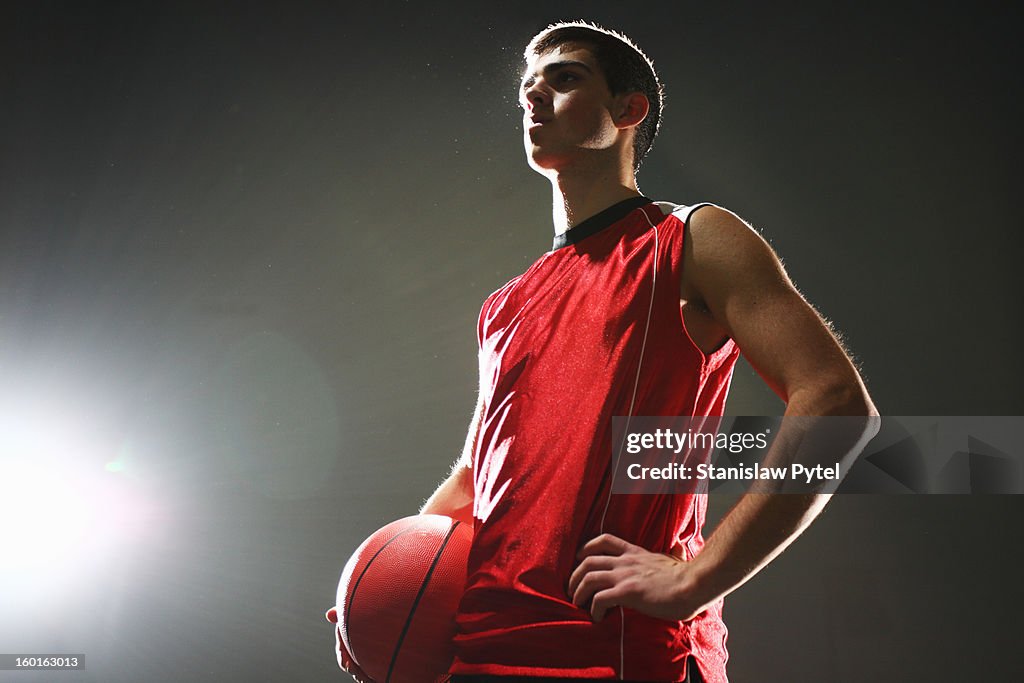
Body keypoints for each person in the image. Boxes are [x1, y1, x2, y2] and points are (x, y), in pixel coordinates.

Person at [327, 21, 877, 683]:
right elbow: (480, 476)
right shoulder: (505, 304)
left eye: (564, 78)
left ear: (627, 109)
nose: (534, 97)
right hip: (481, 657)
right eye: (528, 85)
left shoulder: (690, 238)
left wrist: (696, 577)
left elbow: (836, 404)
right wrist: (374, 598)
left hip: (618, 655)